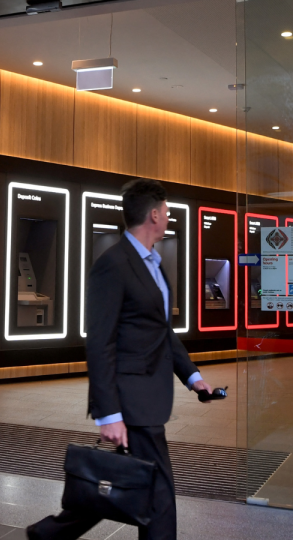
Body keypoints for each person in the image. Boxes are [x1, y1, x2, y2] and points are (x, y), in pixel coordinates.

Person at [28, 179, 215, 540]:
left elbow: (161, 331)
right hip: (131, 398)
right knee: (159, 493)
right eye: (167, 211)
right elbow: (99, 342)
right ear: (155, 215)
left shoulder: (154, 265)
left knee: (123, 482)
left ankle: (50, 534)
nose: (170, 217)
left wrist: (193, 377)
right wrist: (108, 413)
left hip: (149, 395)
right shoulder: (112, 264)